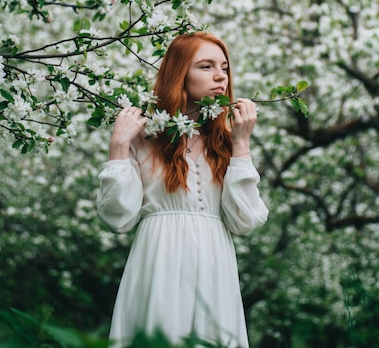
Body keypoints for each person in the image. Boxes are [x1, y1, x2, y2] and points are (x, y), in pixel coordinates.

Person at [97, 31, 268, 348]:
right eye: (206, 66)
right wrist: (119, 146)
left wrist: (242, 143)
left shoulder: (226, 142)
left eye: (225, 67)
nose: (220, 76)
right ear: (180, 73)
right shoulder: (144, 136)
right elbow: (116, 218)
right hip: (158, 260)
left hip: (216, 267)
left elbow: (244, 221)